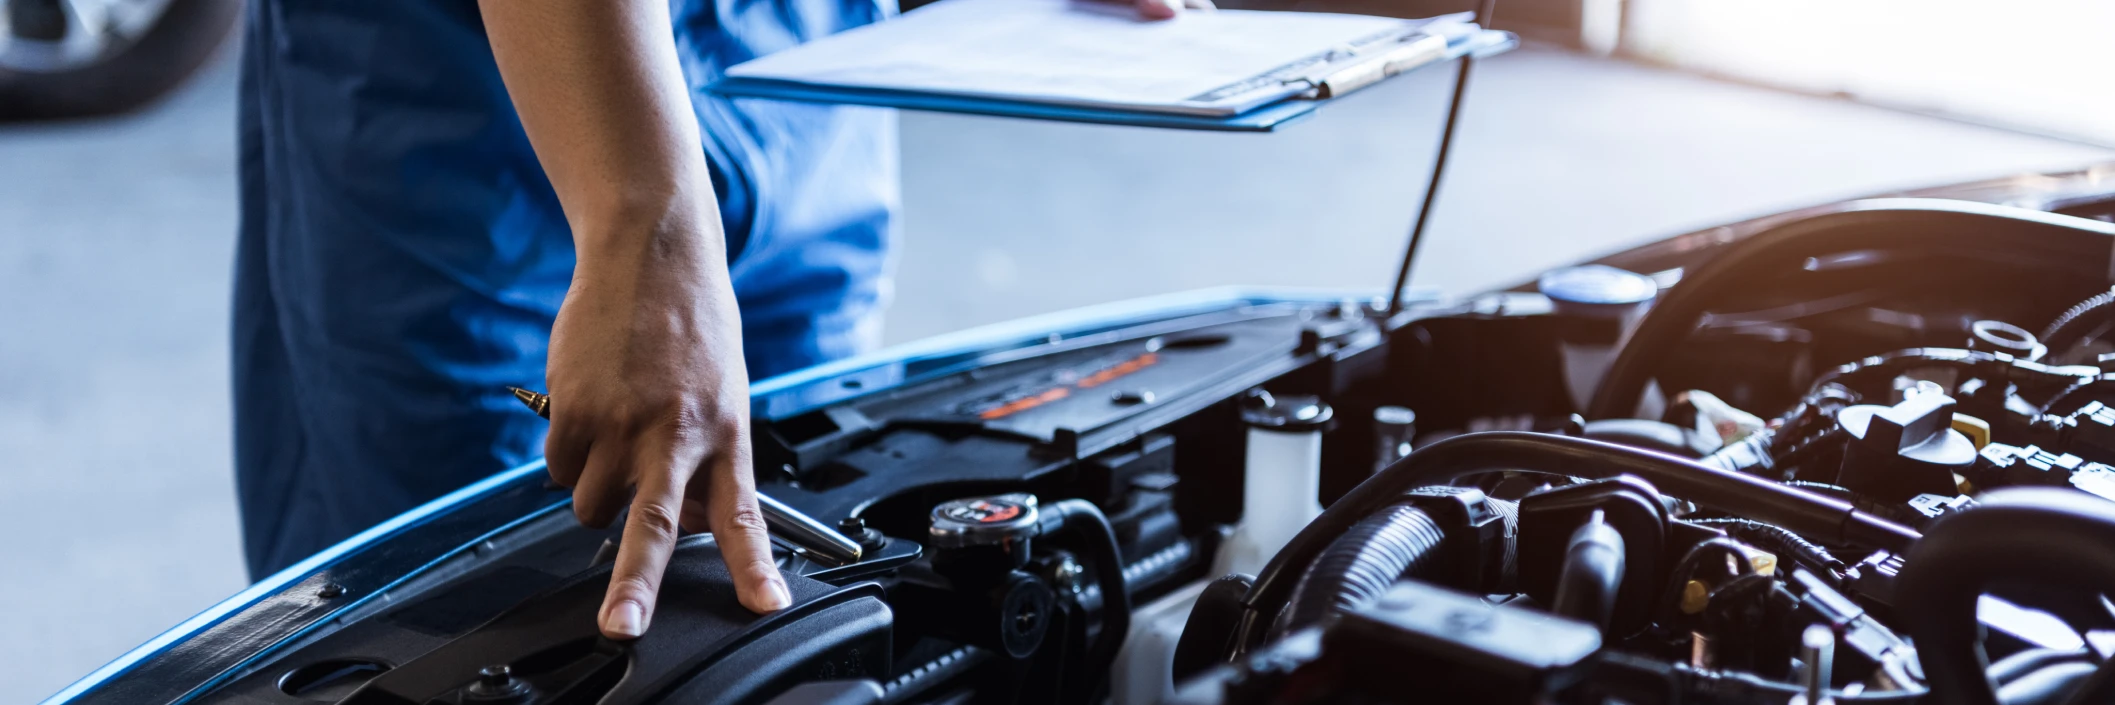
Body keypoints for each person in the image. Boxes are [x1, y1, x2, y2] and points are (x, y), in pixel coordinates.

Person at [232, 0, 1206, 641]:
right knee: (464, 611)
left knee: (803, 546)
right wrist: (643, 225)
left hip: (793, 42)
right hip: (490, 70)